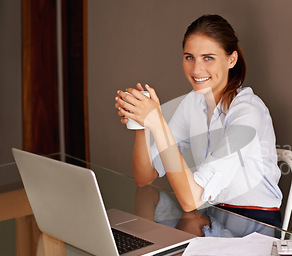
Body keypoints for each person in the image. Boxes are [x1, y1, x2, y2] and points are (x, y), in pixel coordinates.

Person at [115, 14, 282, 227]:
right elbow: (145, 177)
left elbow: (191, 199)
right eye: (189, 57)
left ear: (231, 59)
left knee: (147, 247)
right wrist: (143, 123)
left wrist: (157, 123)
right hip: (208, 219)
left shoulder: (249, 113)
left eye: (208, 57)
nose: (196, 70)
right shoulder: (193, 103)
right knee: (134, 242)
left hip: (254, 227)